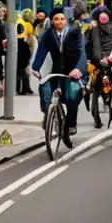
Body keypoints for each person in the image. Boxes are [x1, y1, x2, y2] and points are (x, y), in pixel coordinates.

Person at [30, 8, 86, 148]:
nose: (59, 21)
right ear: (52, 21)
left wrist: (78, 68)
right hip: (57, 71)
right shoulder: (48, 35)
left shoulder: (75, 32)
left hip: (72, 71)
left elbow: (82, 53)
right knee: (50, 96)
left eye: (62, 19)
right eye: (56, 19)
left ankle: (68, 129)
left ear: (66, 20)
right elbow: (41, 51)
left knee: (73, 100)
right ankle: (51, 119)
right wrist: (35, 68)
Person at [86, 5, 112, 128]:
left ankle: (96, 118)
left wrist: (97, 61)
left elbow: (92, 45)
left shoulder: (93, 28)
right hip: (111, 59)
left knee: (96, 88)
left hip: (99, 61)